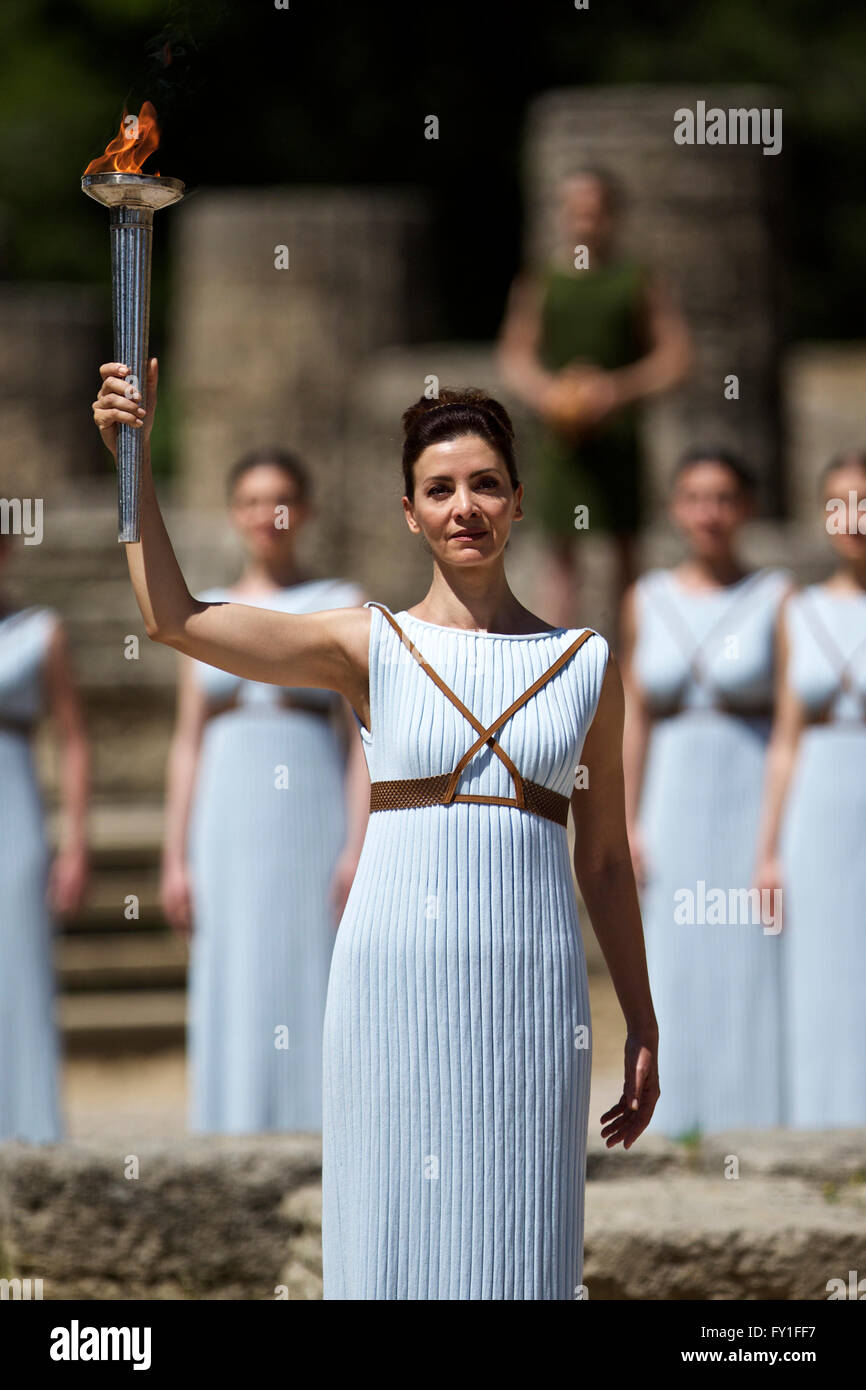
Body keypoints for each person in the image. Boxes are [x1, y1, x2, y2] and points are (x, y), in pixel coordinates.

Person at [92, 357, 658, 1301]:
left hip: (531, 978)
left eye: (485, 485)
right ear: (409, 512)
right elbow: (175, 617)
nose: (463, 506)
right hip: (393, 972)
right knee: (392, 1218)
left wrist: (640, 1016)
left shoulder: (584, 664)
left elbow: (602, 861)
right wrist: (135, 463)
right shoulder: (370, 643)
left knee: (521, 1226)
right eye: (439, 489)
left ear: (519, 501)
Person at [159, 447, 369, 1135]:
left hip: (308, 810)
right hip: (226, 815)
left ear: (303, 511)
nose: (265, 515)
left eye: (279, 500)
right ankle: (230, 1126)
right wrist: (174, 856)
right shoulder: (207, 612)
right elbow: (188, 742)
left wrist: (356, 845)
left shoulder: (336, 606)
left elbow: (363, 743)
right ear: (234, 514)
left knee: (308, 962)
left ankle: (315, 1130)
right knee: (232, 964)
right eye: (251, 501)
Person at [620, 447, 792, 1137]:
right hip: (674, 796)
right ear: (674, 508)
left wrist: (777, 836)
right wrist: (627, 819)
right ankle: (674, 1112)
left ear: (746, 508)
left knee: (749, 947)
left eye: (723, 498)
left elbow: (788, 722)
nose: (708, 512)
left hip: (747, 787)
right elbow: (634, 715)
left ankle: (751, 1116)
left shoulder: (778, 596)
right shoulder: (647, 597)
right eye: (694, 497)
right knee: (675, 948)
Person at [497, 167, 693, 630]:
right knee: (560, 556)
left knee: (626, 553)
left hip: (618, 435)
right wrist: (550, 393)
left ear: (612, 216)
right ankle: (555, 663)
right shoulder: (542, 282)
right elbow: (514, 355)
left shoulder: (637, 281)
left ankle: (627, 670)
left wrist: (615, 390)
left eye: (595, 211)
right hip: (564, 439)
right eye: (577, 211)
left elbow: (676, 357)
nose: (586, 221)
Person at [754, 451, 866, 1127]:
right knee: (824, 967)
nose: (852, 517)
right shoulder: (800, 610)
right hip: (820, 807)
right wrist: (767, 850)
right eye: (838, 503)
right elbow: (786, 739)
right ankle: (825, 1124)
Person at [0, 531, 89, 1143]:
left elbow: (74, 738)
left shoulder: (39, 631)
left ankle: (29, 1133)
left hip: (16, 817)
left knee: (18, 970)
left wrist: (76, 842)